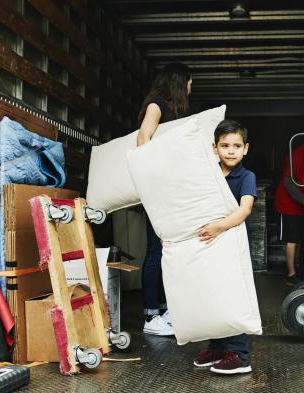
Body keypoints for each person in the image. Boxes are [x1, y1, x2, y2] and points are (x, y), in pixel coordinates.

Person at [193, 119, 257, 375]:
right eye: (225, 145)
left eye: (236, 145)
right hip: (210, 242)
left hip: (233, 242)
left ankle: (240, 355)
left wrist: (219, 227)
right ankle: (218, 347)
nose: (231, 150)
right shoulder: (208, 176)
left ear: (246, 149)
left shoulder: (247, 177)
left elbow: (245, 209)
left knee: (233, 297)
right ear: (214, 148)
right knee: (212, 296)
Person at [137, 62, 192, 336]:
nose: (192, 88)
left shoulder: (174, 112)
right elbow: (143, 137)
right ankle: (150, 316)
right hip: (156, 191)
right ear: (180, 82)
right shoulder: (157, 105)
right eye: (190, 83)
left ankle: (163, 309)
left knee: (167, 251)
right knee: (155, 252)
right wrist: (152, 180)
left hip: (169, 192)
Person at [273, 125, 304, 285]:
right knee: (292, 239)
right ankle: (291, 275)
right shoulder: (297, 154)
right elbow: (288, 182)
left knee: (300, 238)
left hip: (301, 203)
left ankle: (297, 270)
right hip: (287, 202)